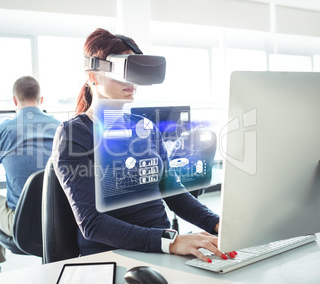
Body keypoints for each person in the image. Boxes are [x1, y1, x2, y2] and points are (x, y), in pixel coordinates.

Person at [51, 28, 236, 263]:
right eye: (122, 69)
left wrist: (218, 225)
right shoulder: (73, 134)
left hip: (163, 250)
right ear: (93, 76)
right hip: (111, 255)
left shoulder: (145, 127)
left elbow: (173, 192)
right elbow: (92, 223)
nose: (131, 81)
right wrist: (171, 242)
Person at [0, 76, 61, 275]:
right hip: (60, 220)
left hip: (23, 225)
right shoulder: (61, 127)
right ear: (41, 99)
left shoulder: (1, 131)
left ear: (14, 100)